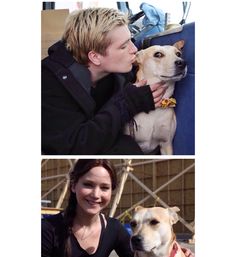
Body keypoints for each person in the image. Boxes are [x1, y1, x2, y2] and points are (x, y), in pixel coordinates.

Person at [41, 159, 194, 257]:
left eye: (104, 187)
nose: (96, 194)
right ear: (73, 185)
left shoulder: (113, 228)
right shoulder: (47, 229)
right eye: (88, 184)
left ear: (111, 191)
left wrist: (175, 254)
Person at [41, 7, 167, 155]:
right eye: (123, 46)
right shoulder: (48, 83)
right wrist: (126, 104)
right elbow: (74, 146)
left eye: (131, 40)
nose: (134, 49)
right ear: (95, 57)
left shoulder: (119, 72)